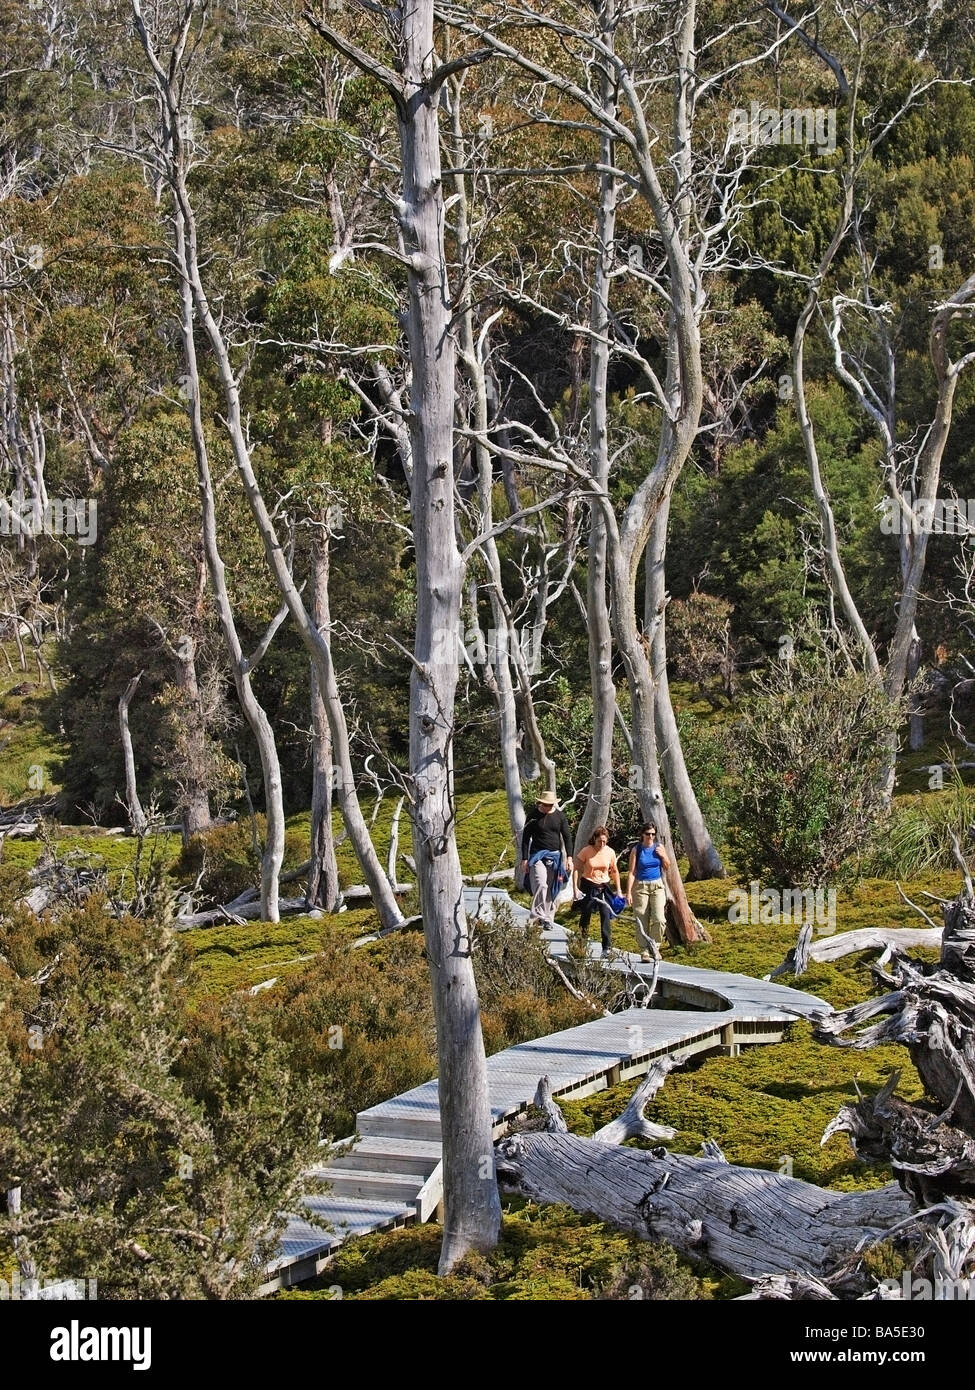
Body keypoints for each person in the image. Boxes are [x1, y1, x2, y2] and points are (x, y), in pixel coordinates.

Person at [520, 789, 573, 926]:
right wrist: (524, 859)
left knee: (552, 887)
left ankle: (548, 918)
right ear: (541, 803)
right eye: (546, 804)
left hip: (555, 856)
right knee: (541, 884)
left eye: (551, 804)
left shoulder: (560, 816)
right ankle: (538, 916)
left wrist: (569, 858)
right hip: (538, 856)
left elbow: (567, 837)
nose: (548, 807)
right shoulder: (533, 816)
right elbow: (526, 838)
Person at [573, 825, 622, 957]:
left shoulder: (610, 852)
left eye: (605, 841)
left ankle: (606, 948)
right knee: (586, 914)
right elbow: (576, 868)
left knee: (605, 915)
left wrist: (619, 890)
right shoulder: (586, 851)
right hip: (588, 884)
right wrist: (575, 888)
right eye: (600, 841)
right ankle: (581, 945)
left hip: (604, 886)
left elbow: (614, 871)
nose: (602, 844)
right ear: (594, 838)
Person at [627, 821, 671, 961]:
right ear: (642, 834)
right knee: (641, 918)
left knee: (659, 919)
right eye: (648, 834)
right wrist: (628, 892)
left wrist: (663, 855)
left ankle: (654, 947)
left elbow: (667, 866)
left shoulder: (659, 847)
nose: (651, 836)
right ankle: (644, 951)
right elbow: (631, 872)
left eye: (653, 834)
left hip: (657, 885)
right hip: (641, 886)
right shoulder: (637, 849)